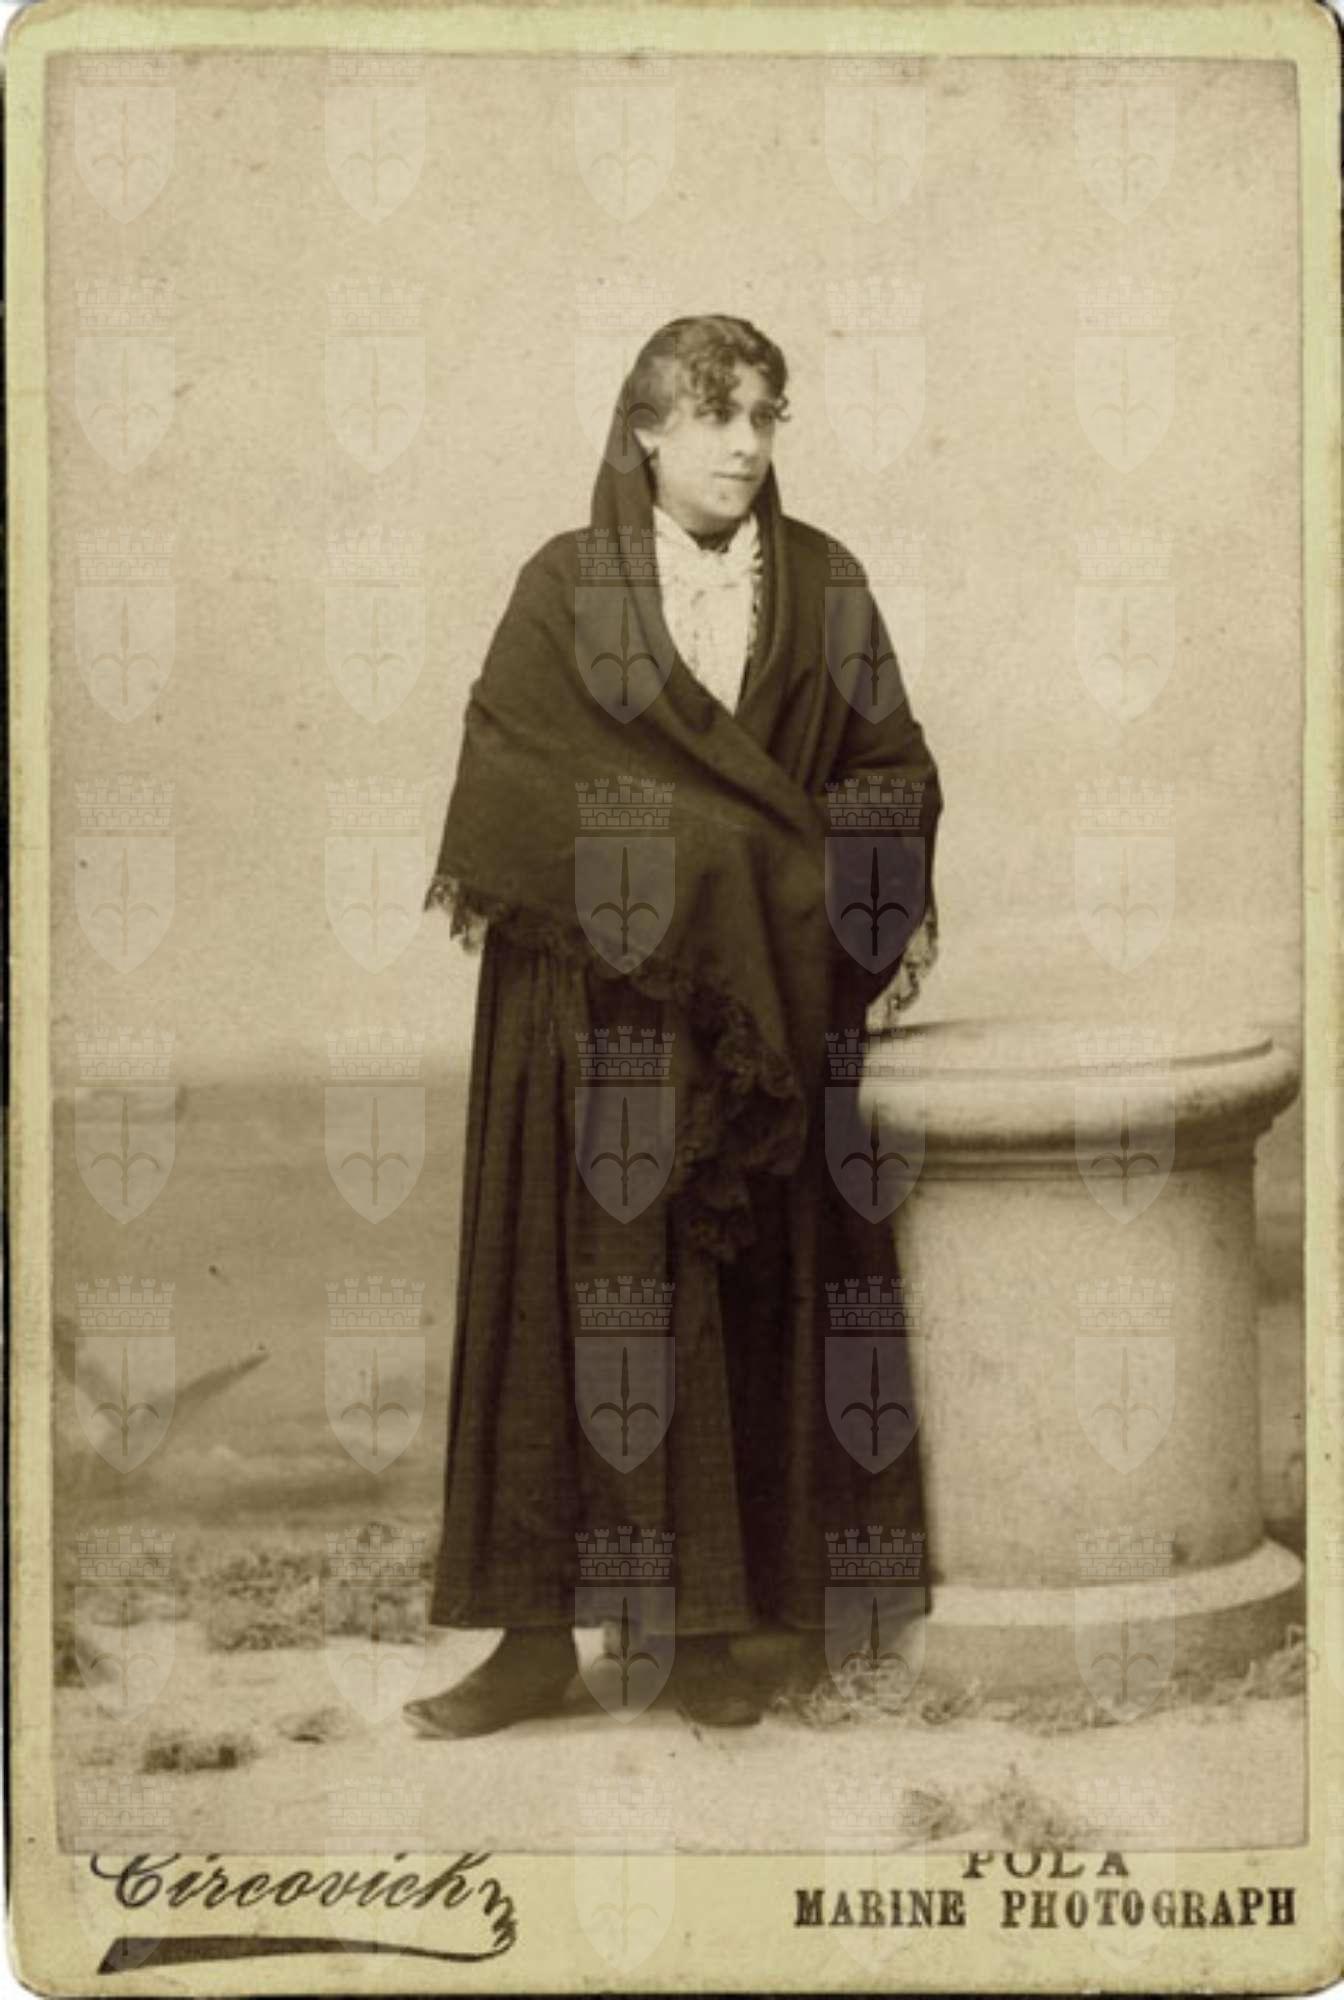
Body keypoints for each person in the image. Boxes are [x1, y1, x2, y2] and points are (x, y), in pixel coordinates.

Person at [404, 314, 941, 1737]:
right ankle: (531, 1644)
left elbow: (894, 771)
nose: (744, 447)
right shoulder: (565, 585)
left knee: (726, 1306)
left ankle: (711, 1634)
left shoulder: (825, 586)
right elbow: (510, 782)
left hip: (755, 1022)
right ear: (645, 431)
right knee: (568, 1310)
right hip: (596, 1018)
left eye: (765, 417)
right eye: (714, 417)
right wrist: (714, 859)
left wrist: (801, 895)